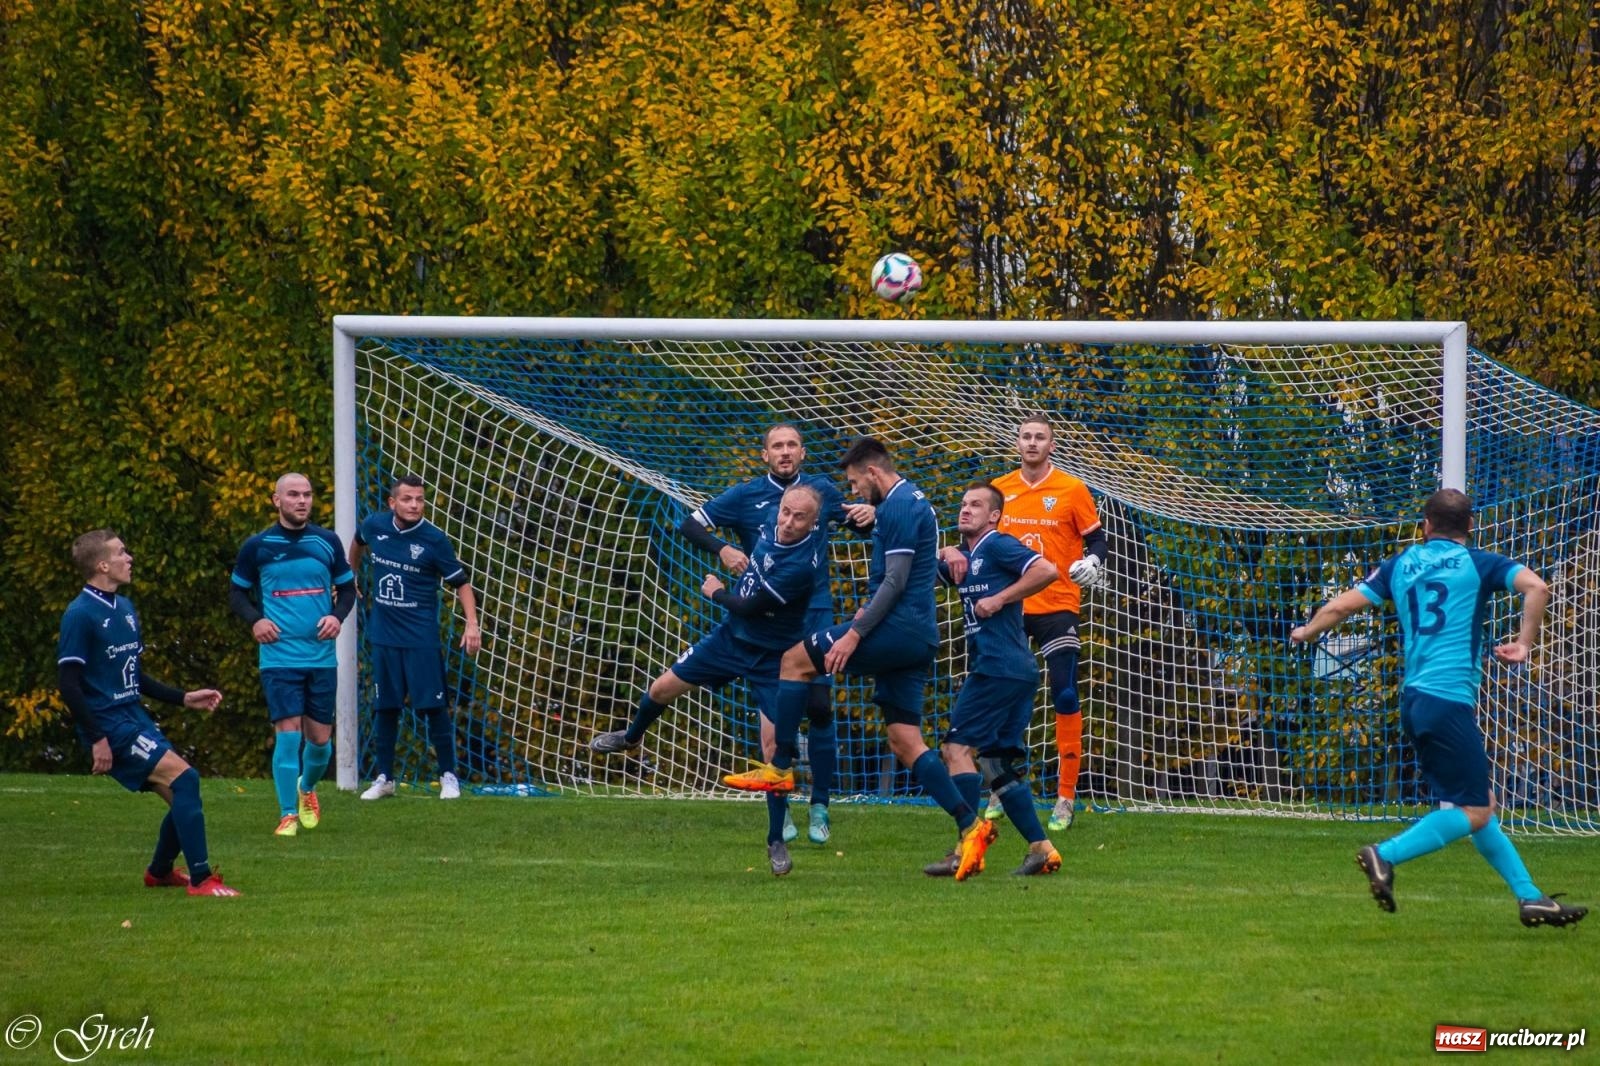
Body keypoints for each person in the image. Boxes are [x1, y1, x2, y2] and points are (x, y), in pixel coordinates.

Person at [1290, 488, 1586, 928]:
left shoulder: (1401, 564)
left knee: (1479, 803)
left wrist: (1307, 633)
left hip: (1416, 701)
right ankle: (1384, 854)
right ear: (1470, 526)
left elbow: (1338, 606)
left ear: (1425, 526)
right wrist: (1524, 644)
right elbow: (1537, 587)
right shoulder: (1480, 563)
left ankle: (1530, 897)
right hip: (1448, 702)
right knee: (1476, 811)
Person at [723, 437, 990, 877]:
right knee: (905, 740)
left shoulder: (901, 505)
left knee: (794, 660)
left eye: (853, 484)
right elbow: (918, 570)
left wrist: (854, 634)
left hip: (897, 630)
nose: (853, 493)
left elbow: (897, 581)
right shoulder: (910, 502)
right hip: (916, 637)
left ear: (872, 473)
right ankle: (970, 828)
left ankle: (780, 767)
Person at [591, 485, 827, 875]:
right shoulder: (768, 518)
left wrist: (716, 591)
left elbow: (748, 606)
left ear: (813, 524)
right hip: (728, 641)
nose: (786, 522)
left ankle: (776, 840)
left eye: (798, 517)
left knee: (773, 753)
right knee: (661, 688)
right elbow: (692, 525)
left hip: (772, 659)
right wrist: (724, 547)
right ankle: (631, 738)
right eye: (784, 511)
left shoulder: (802, 565)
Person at [673, 423, 874, 845]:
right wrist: (723, 548)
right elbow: (690, 525)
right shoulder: (746, 495)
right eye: (777, 446)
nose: (785, 452)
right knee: (774, 720)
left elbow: (859, 527)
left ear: (803, 452)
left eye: (792, 445)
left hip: (814, 611)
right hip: (766, 619)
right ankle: (779, 814)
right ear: (765, 453)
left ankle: (820, 805)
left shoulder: (821, 492)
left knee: (819, 706)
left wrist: (867, 513)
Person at [946, 415, 1108, 832]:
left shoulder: (1072, 489)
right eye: (1026, 436)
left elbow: (1097, 539)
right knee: (1004, 689)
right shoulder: (1000, 492)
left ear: (1051, 445)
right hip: (1012, 613)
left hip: (1057, 604)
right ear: (1017, 443)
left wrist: (1093, 560)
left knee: (1065, 691)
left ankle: (1065, 797)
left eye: (1040, 437)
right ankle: (1003, 784)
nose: (1032, 443)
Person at [57, 530, 240, 896]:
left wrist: (183, 697)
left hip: (133, 716)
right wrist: (97, 738)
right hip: (109, 723)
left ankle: (159, 872)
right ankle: (202, 879)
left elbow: (133, 674)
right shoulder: (80, 614)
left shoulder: (124, 608)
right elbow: (68, 684)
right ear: (102, 565)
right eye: (122, 553)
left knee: (182, 793)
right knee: (185, 779)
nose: (130, 558)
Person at [926, 483, 1063, 879]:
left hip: (998, 667)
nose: (966, 510)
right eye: (964, 503)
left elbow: (1047, 570)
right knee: (993, 763)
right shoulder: (966, 558)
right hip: (1015, 669)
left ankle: (964, 847)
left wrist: (1001, 599)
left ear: (994, 516)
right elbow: (915, 566)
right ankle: (1042, 849)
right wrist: (945, 550)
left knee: (956, 750)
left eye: (977, 505)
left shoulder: (998, 545)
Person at [230, 472, 356, 837]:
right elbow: (237, 594)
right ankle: (287, 814)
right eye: (294, 495)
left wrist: (336, 616)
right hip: (279, 657)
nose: (302, 501)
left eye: (308, 495)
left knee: (320, 744)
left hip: (320, 657)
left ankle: (307, 788)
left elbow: (347, 591)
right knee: (287, 734)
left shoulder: (327, 542)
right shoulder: (258, 546)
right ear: (276, 500)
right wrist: (255, 621)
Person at [348, 475, 482, 802]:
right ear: (392, 503)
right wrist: (349, 576)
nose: (414, 505)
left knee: (434, 707)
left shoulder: (434, 540)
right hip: (383, 635)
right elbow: (357, 543)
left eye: (419, 499)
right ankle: (385, 779)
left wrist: (472, 624)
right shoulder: (374, 526)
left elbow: (462, 583)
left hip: (421, 637)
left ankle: (448, 776)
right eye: (407, 499)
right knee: (385, 707)